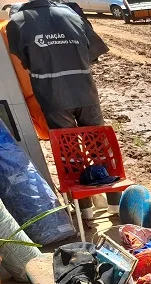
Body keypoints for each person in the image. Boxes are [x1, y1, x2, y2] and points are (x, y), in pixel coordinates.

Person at [7, 0, 119, 216]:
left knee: (70, 153)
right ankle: (114, 204)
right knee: (99, 147)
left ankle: (83, 209)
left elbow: (23, 60)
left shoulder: (17, 23)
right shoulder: (70, 13)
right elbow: (93, 52)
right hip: (85, 91)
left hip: (53, 96)